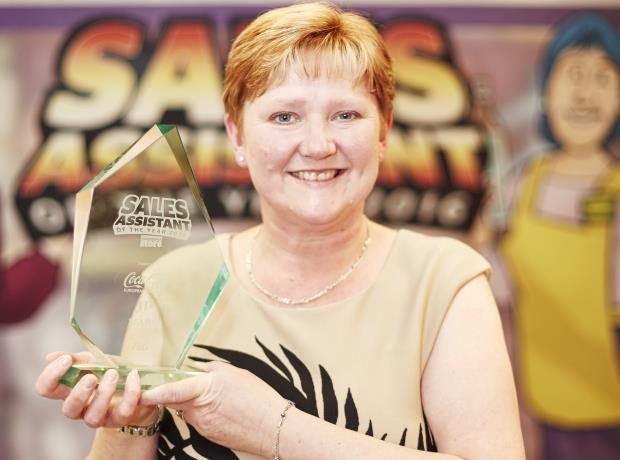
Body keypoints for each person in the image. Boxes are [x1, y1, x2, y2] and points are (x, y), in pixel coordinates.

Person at [35, 3, 524, 459]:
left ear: (382, 131)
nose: (317, 144)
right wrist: (131, 423)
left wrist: (274, 427)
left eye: (346, 115)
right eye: (284, 116)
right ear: (237, 135)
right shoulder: (174, 283)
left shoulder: (444, 283)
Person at [500, 13, 620, 460]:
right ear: (545, 93)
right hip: (536, 407)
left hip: (607, 413)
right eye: (572, 75)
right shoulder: (522, 183)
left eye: (602, 77)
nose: (585, 94)